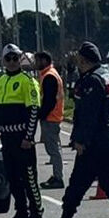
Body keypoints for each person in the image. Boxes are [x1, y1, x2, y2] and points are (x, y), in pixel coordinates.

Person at [53, 41, 109, 218]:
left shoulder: (91, 81)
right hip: (105, 140)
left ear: (85, 60)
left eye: (79, 59)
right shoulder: (102, 75)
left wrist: (81, 140)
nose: (77, 62)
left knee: (79, 182)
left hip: (96, 143)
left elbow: (89, 115)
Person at [0, 45, 44, 218]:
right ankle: (21, 212)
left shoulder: (27, 81)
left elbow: (34, 110)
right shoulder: (0, 81)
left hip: (22, 137)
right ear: (3, 61)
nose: (11, 62)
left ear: (20, 59)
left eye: (15, 58)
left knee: (28, 177)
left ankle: (36, 214)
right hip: (7, 137)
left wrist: (29, 137)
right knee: (12, 177)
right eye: (8, 59)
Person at [36, 52, 66, 189]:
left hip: (51, 117)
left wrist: (40, 115)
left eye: (37, 60)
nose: (35, 63)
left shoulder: (49, 76)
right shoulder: (49, 74)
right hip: (53, 117)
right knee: (54, 148)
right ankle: (56, 176)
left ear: (44, 60)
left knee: (53, 149)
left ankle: (58, 178)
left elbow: (49, 101)